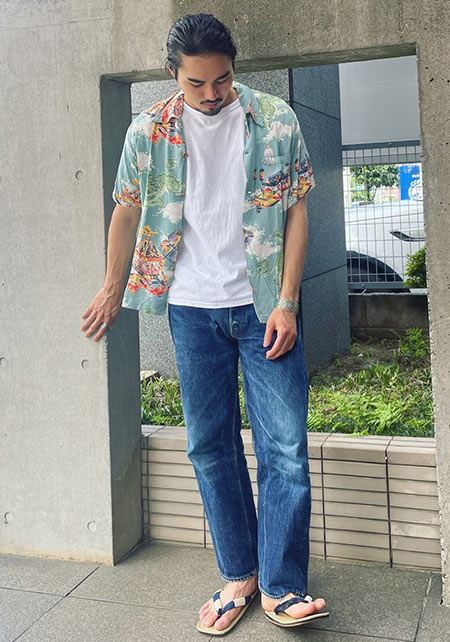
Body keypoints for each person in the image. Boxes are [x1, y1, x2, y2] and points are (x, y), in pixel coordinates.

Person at [81, 12, 329, 635]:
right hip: (191, 309)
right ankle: (238, 575)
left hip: (263, 305)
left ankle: (282, 585)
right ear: (174, 75)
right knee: (210, 446)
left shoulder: (275, 119)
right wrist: (111, 287)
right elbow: (126, 210)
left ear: (233, 68)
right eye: (197, 83)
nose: (213, 93)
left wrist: (288, 301)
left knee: (285, 447)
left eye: (222, 79)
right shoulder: (148, 131)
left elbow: (297, 211)